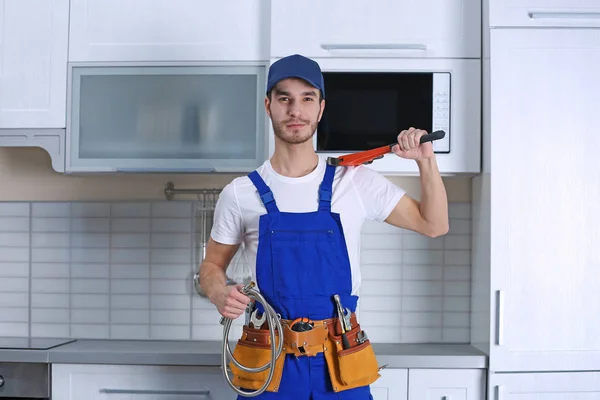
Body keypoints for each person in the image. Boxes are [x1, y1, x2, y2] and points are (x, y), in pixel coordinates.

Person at [199, 54, 449, 399]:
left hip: (341, 361)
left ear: (320, 108)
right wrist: (216, 292)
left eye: (307, 98)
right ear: (268, 105)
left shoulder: (356, 182)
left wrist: (426, 161)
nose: (295, 110)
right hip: (269, 362)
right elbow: (211, 266)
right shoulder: (240, 193)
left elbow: (434, 224)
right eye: (284, 98)